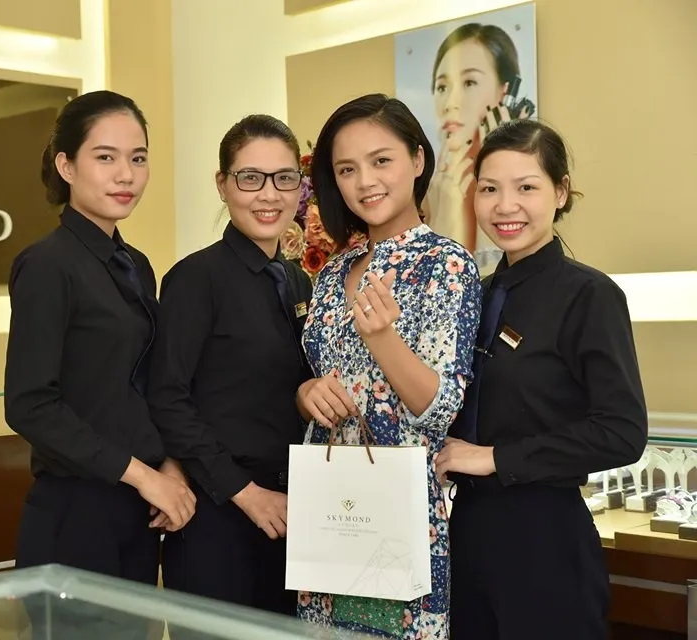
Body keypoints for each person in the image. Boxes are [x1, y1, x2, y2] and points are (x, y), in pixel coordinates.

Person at [436, 119, 648, 640]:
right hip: (468, 535)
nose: (505, 206)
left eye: (526, 187)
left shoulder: (589, 296)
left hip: (546, 542)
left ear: (560, 191)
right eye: (489, 189)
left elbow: (622, 431)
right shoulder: (475, 294)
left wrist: (495, 457)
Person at [296, 93, 482, 638]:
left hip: (398, 512)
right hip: (329, 502)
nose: (365, 182)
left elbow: (439, 409)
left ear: (418, 160)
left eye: (381, 161)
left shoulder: (446, 264)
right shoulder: (334, 272)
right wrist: (306, 394)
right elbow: (325, 377)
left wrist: (382, 339)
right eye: (346, 169)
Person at [4, 90, 196, 589]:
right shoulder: (46, 265)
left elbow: (143, 387)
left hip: (136, 511)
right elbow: (30, 406)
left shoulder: (136, 265)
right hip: (75, 515)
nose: (125, 175)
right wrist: (144, 475)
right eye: (106, 158)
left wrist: (170, 467)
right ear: (66, 166)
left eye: (138, 159)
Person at [147, 114, 313, 620]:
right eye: (250, 178)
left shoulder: (300, 282)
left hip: (292, 512)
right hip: (218, 514)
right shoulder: (195, 279)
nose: (269, 194)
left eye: (284, 178)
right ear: (223, 185)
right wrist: (246, 494)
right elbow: (167, 397)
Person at [424, 22, 535, 274]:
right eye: (442, 87)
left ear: (504, 92)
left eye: (469, 83)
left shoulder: (526, 188)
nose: (450, 103)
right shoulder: (431, 193)